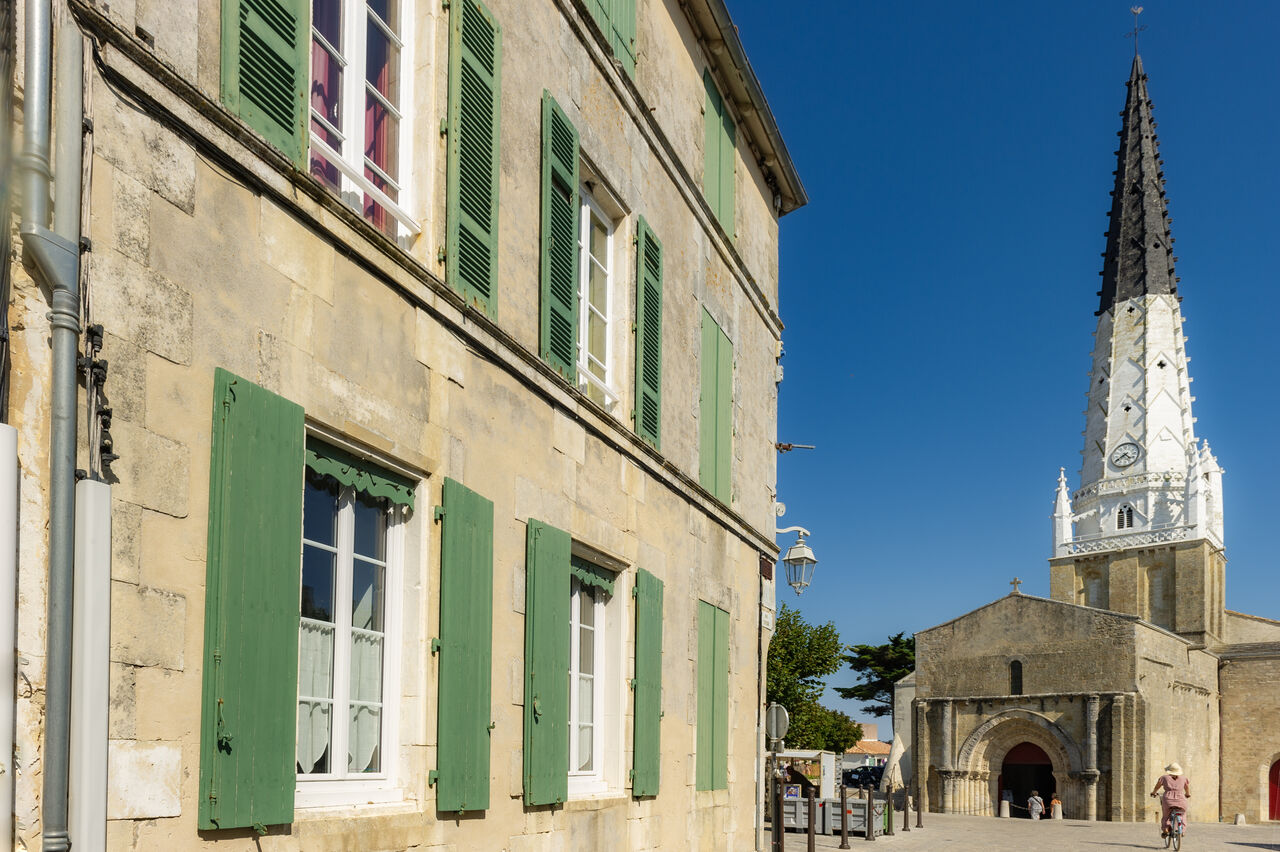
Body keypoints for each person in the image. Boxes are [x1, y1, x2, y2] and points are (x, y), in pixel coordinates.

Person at [1150, 762, 1191, 837]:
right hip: (1181, 800)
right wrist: (1187, 794)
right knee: (1183, 814)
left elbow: (1157, 787)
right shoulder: (1184, 778)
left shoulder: (1164, 778)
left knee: (1166, 815)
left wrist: (1154, 792)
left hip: (1168, 799)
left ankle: (1165, 829)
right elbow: (1187, 788)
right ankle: (1182, 831)